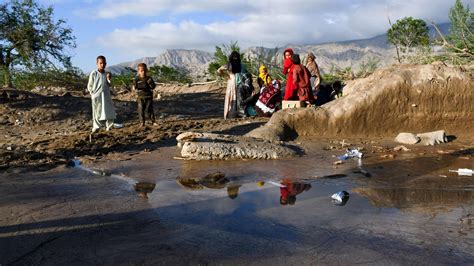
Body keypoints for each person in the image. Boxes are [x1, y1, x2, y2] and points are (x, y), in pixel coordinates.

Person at [87, 55, 119, 133]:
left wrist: (109, 79)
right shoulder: (94, 73)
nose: (102, 65)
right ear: (97, 63)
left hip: (106, 95)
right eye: (100, 63)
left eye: (104, 63)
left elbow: (109, 84)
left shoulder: (107, 73)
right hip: (96, 96)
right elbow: (90, 85)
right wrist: (92, 93)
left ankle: (109, 126)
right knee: (96, 111)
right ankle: (97, 127)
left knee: (109, 110)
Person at [218, 51, 254, 119]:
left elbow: (218, 70)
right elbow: (247, 73)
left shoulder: (228, 64)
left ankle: (231, 113)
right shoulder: (242, 65)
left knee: (231, 97)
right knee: (239, 98)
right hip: (241, 83)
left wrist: (226, 76)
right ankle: (240, 112)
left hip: (231, 82)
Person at [133, 63, 157, 127]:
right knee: (141, 110)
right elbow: (134, 88)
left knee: (150, 109)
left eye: (144, 70)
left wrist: (150, 83)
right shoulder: (137, 79)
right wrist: (134, 88)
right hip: (140, 97)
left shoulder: (149, 78)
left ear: (146, 70)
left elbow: (153, 87)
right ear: (138, 71)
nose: (143, 72)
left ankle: (153, 121)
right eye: (141, 71)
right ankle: (142, 122)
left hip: (149, 96)